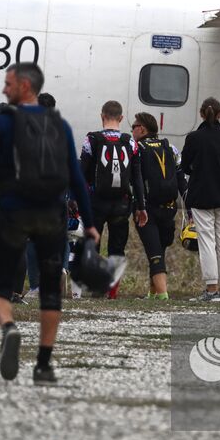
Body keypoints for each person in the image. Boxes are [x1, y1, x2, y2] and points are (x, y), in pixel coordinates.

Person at [0, 62, 94, 385]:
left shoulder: (4, 123)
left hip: (13, 212)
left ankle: (9, 328)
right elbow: (77, 178)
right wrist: (90, 222)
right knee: (51, 293)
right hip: (51, 214)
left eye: (8, 84)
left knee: (0, 289)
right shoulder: (59, 125)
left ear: (24, 87)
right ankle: (43, 365)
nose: (4, 90)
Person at [79, 100, 146, 299]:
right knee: (117, 247)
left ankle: (96, 289)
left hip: (96, 201)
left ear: (102, 116)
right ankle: (113, 291)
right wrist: (141, 206)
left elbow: (81, 174)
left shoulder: (92, 139)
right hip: (122, 203)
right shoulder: (130, 141)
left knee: (94, 244)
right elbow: (137, 177)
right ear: (121, 118)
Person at [181, 96, 220, 302]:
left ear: (201, 114)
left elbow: (185, 165)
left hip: (201, 194)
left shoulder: (193, 138)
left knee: (206, 241)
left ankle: (211, 289)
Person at [131, 112, 184, 301]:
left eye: (133, 127)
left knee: (154, 254)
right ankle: (153, 293)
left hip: (147, 209)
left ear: (142, 129)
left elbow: (135, 180)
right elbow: (181, 178)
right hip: (169, 208)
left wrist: (138, 205)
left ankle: (163, 297)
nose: (132, 130)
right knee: (159, 250)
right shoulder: (171, 148)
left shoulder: (136, 148)